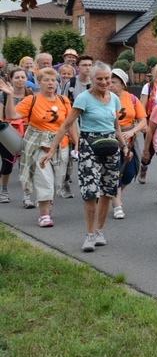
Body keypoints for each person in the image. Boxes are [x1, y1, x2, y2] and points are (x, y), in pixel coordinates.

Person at [41, 61, 131, 252]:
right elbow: (65, 125)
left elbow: (116, 127)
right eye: (99, 79)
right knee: (90, 192)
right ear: (92, 79)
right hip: (89, 145)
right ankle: (89, 235)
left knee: (108, 191)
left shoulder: (114, 98)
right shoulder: (83, 98)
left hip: (111, 146)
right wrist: (51, 150)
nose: (104, 82)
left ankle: (100, 231)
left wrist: (124, 147)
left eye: (107, 78)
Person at [1, 68, 77, 227]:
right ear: (39, 83)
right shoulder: (32, 100)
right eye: (46, 80)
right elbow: (11, 116)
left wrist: (76, 143)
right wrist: (9, 95)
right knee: (45, 180)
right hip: (39, 145)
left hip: (61, 145)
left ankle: (47, 200)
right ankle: (44, 215)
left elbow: (69, 124)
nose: (51, 83)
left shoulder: (64, 100)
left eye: (53, 80)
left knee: (57, 181)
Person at [109, 68, 147, 219]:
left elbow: (143, 120)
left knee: (129, 173)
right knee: (113, 172)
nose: (110, 85)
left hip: (129, 140)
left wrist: (133, 131)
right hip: (110, 139)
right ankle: (117, 205)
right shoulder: (105, 98)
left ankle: (112, 194)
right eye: (109, 82)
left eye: (114, 82)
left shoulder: (132, 99)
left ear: (123, 84)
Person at [59, 55, 93, 198]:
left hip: (90, 123)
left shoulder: (95, 83)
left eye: (90, 65)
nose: (87, 68)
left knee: (89, 153)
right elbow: (64, 103)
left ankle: (89, 182)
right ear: (77, 68)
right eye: (84, 65)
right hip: (74, 121)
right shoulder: (71, 83)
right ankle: (65, 182)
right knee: (71, 151)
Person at [0, 68, 34, 204]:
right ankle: (4, 190)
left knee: (25, 165)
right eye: (17, 77)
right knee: (7, 163)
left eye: (23, 77)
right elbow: (1, 117)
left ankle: (27, 196)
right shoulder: (4, 95)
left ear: (27, 79)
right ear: (11, 79)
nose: (20, 80)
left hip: (27, 131)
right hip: (8, 132)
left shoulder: (31, 95)